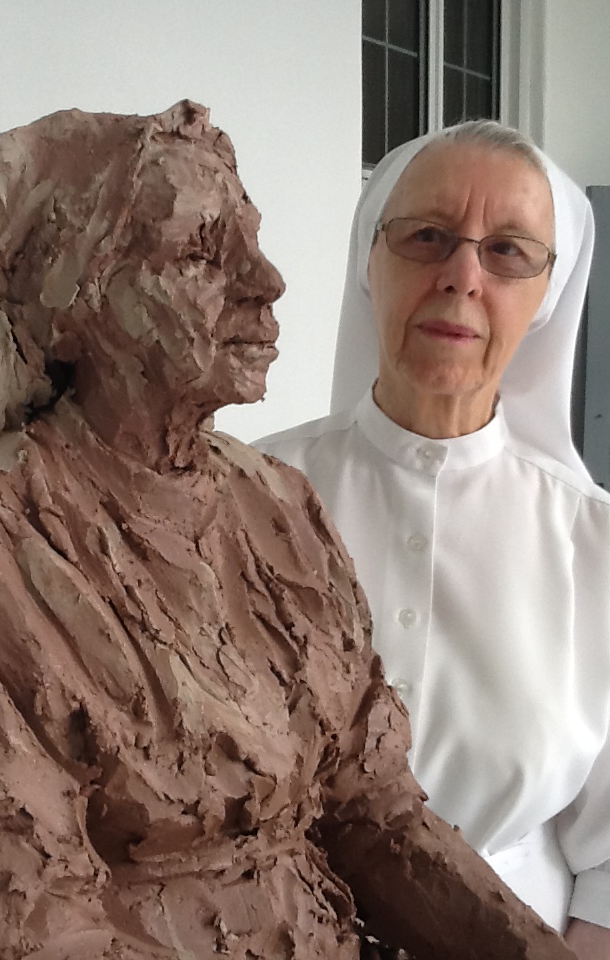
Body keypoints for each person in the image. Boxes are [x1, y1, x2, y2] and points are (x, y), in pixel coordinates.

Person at [0, 105, 572, 960]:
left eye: (250, 242)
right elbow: (27, 918)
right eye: (201, 253)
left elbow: (375, 816)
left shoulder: (277, 503)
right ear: (70, 300)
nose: (266, 281)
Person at [257, 120, 610, 960]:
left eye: (509, 251)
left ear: (548, 292)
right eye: (426, 236)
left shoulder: (594, 540)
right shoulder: (243, 497)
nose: (462, 276)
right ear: (368, 260)